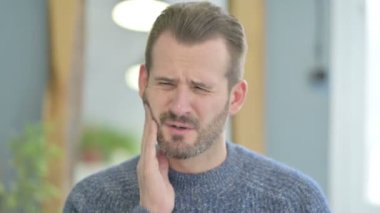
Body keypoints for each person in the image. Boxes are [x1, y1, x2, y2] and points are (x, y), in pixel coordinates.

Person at [63, 2, 330, 212]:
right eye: (166, 83)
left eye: (200, 88)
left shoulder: (294, 202)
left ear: (235, 97)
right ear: (144, 82)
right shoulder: (91, 201)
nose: (179, 107)